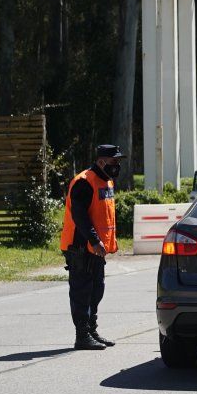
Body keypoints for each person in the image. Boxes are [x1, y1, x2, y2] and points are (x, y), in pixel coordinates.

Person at [59, 144, 123, 350]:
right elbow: (80, 216)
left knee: (96, 290)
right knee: (82, 292)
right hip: (80, 246)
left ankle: (91, 330)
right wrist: (94, 240)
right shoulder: (84, 182)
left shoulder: (106, 180)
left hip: (95, 248)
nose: (117, 165)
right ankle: (82, 336)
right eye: (114, 161)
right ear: (101, 162)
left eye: (118, 161)